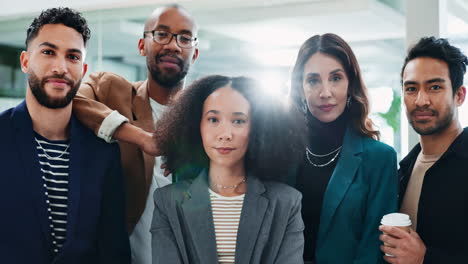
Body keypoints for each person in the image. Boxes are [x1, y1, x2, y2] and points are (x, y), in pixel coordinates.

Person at [0, 7, 130, 263]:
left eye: (72, 57)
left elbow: (114, 249)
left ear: (83, 68)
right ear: (25, 61)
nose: (60, 67)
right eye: (48, 52)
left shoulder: (103, 152)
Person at [72, 4, 199, 263]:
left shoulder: (206, 117)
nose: (173, 45)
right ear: (142, 45)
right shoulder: (111, 91)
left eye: (184, 38)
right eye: (161, 34)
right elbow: (72, 100)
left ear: (194, 53)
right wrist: (142, 138)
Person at [150, 75, 306, 264]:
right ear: (196, 125)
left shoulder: (287, 203)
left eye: (238, 121)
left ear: (258, 128)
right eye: (213, 119)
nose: (225, 134)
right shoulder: (167, 202)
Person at [290, 33, 398, 263]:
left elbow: (374, 248)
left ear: (351, 85)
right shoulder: (281, 154)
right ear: (300, 88)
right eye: (313, 80)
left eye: (336, 78)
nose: (325, 92)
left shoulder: (379, 159)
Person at [379, 37, 468, 264]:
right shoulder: (404, 168)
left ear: (459, 95)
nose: (421, 100)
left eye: (435, 87)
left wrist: (424, 259)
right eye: (411, 88)